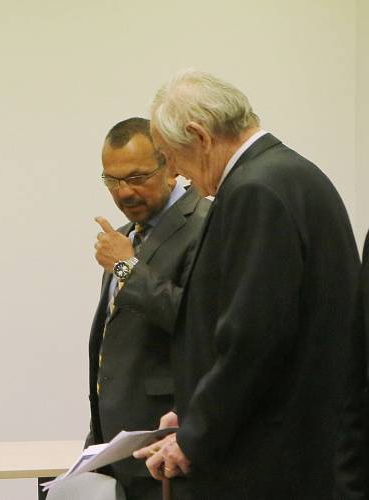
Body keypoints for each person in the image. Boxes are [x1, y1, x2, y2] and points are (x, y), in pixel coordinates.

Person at [133, 69, 365, 499]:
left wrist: (196, 433)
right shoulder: (290, 175)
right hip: (303, 447)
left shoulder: (254, 190)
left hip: (269, 462)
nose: (180, 175)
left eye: (171, 156)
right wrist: (194, 412)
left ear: (198, 136)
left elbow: (253, 339)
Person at [87, 117, 210, 500]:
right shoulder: (125, 237)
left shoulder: (206, 224)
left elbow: (196, 322)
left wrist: (127, 268)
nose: (124, 193)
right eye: (113, 180)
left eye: (137, 178)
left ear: (172, 166)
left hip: (170, 450)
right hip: (117, 448)